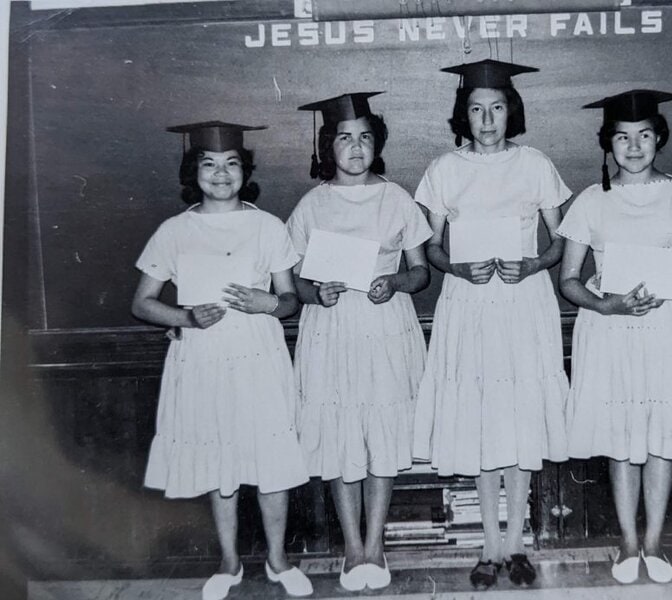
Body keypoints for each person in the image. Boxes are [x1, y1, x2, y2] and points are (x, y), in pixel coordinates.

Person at [132, 122, 312, 600]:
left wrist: (268, 303)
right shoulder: (175, 231)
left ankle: (278, 560)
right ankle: (229, 562)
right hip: (202, 359)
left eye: (232, 164)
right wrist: (185, 316)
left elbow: (290, 298)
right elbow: (143, 302)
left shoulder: (267, 225)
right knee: (219, 460)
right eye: (209, 165)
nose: (221, 174)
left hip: (258, 357)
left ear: (245, 171)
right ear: (194, 173)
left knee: (271, 460)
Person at [412, 59, 571, 589]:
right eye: (477, 110)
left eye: (497, 109)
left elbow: (565, 241)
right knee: (483, 421)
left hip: (524, 305)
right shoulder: (444, 170)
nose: (487, 120)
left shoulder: (535, 164)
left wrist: (533, 265)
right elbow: (431, 247)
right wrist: (455, 266)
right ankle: (488, 547)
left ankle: (518, 546)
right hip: (468, 304)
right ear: (465, 115)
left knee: (520, 418)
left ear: (511, 112)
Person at [557, 90, 672, 585]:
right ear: (608, 144)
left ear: (659, 139)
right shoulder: (592, 200)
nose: (634, 147)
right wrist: (606, 303)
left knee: (662, 437)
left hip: (670, 325)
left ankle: (654, 542)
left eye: (644, 136)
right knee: (622, 436)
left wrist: (667, 282)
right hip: (612, 328)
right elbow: (569, 279)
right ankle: (627, 543)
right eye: (622, 137)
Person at [286, 93, 432, 592]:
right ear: (329, 146)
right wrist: (316, 292)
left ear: (377, 144)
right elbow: (292, 285)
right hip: (332, 332)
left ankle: (376, 545)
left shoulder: (397, 199)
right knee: (343, 436)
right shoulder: (312, 205)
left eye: (365, 137)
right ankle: (351, 549)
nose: (355, 147)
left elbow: (420, 272)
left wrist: (394, 283)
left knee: (381, 434)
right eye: (344, 138)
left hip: (385, 327)